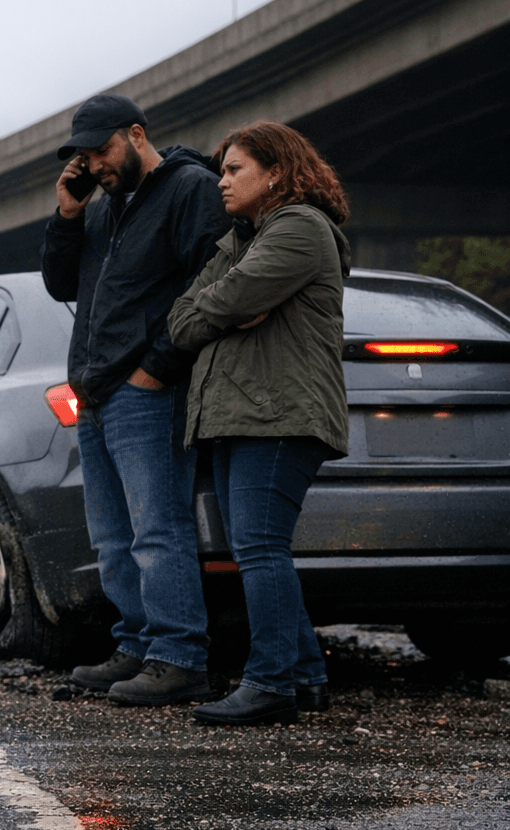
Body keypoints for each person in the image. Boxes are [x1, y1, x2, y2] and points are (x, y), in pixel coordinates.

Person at [40, 94, 230, 706]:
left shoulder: (189, 188)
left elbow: (214, 283)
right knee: (112, 536)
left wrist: (159, 367)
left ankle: (180, 656)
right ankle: (137, 644)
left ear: (136, 135)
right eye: (86, 157)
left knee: (158, 529)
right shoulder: (100, 209)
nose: (94, 165)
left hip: (147, 391)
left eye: (102, 151)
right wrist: (67, 216)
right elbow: (60, 285)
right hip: (93, 393)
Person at [167, 120, 350, 726]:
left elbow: (221, 304)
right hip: (238, 415)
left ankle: (270, 682)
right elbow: (182, 320)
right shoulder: (243, 239)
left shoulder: (299, 227)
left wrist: (224, 307)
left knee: (259, 548)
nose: (221, 181)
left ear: (275, 172)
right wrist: (224, 308)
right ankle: (305, 677)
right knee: (257, 546)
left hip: (277, 415)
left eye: (234, 169)